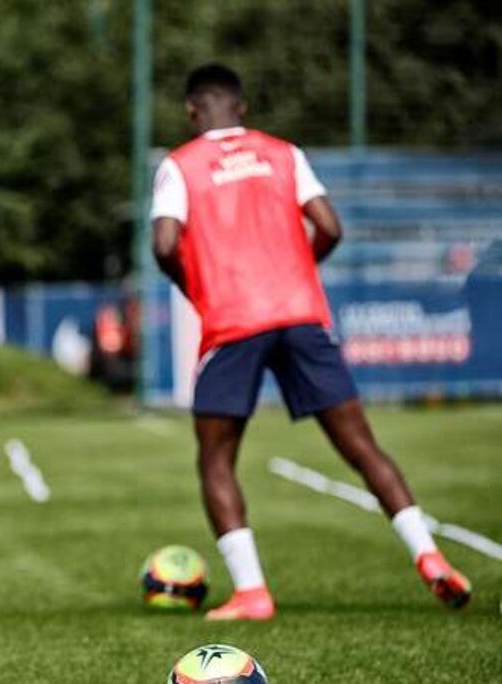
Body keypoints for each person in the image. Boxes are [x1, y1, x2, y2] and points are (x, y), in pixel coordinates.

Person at [151, 63, 471, 621]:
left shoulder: (179, 165)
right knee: (361, 447)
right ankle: (429, 556)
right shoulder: (283, 152)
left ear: (192, 111)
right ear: (242, 107)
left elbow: (163, 243)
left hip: (233, 320)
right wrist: (299, 270)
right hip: (301, 313)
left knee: (217, 458)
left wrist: (197, 288)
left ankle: (252, 593)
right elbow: (331, 225)